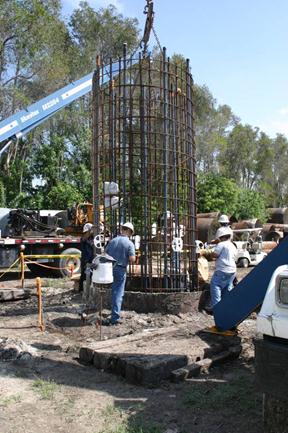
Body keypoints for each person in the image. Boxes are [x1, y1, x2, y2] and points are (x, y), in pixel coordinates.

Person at [104, 222, 136, 325]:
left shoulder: (112, 241)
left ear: (122, 229)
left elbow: (105, 254)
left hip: (109, 268)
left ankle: (112, 312)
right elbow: (132, 259)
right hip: (120, 269)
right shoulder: (129, 243)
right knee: (118, 292)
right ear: (129, 232)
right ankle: (115, 317)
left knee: (113, 291)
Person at [210, 226, 237, 309]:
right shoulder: (232, 245)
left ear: (221, 236)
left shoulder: (221, 244)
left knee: (215, 286)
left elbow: (215, 255)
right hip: (232, 270)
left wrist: (209, 253)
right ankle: (227, 308)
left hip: (222, 270)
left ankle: (217, 309)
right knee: (227, 288)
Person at [79, 223, 94, 292]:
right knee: (84, 276)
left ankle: (88, 289)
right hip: (86, 260)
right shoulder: (83, 239)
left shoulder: (93, 238)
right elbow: (84, 238)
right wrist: (90, 231)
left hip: (91, 259)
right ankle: (82, 290)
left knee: (91, 275)